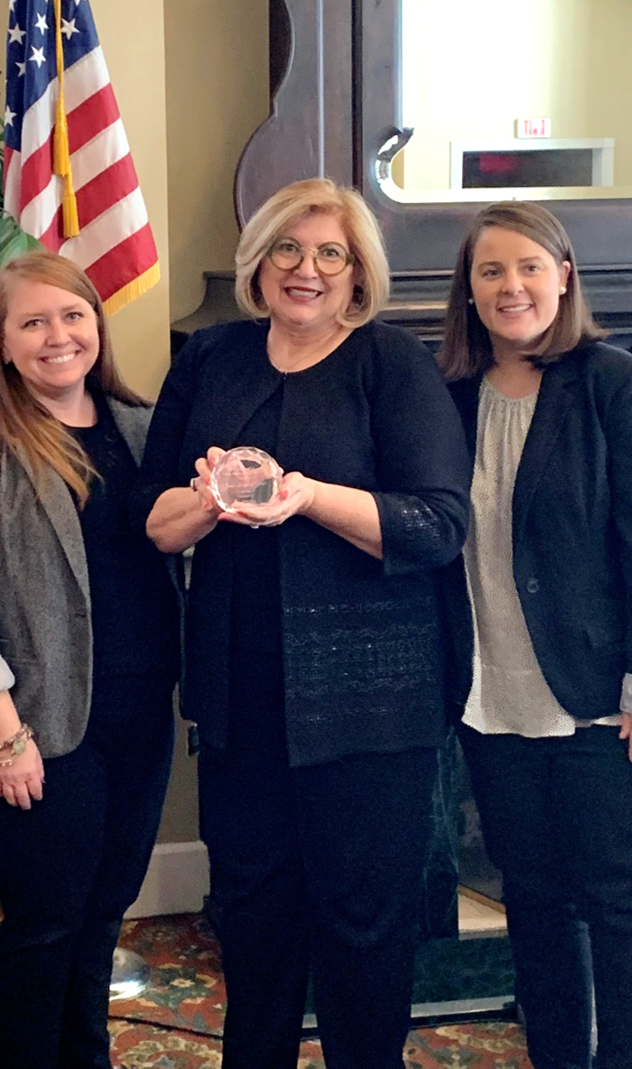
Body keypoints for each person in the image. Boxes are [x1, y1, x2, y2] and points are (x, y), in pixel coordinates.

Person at [132, 177, 470, 1069]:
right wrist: (207, 503)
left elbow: (437, 523)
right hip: (240, 698)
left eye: (331, 253)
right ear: (258, 260)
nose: (306, 269)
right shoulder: (211, 358)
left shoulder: (389, 364)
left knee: (363, 929)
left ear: (358, 272)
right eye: (288, 247)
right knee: (252, 915)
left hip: (368, 704)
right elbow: (151, 513)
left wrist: (308, 496)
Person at [0, 251, 180, 1069]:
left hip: (138, 711)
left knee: (106, 909)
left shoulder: (143, 427)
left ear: (96, 327)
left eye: (72, 315)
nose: (57, 336)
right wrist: (4, 734)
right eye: (32, 321)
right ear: (1, 341)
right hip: (33, 722)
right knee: (47, 919)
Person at [439, 200, 632, 1069]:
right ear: (469, 291)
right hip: (490, 700)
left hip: (596, 697)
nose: (510, 285)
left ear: (562, 274)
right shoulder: (445, 398)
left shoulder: (611, 384)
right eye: (490, 271)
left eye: (527, 266)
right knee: (534, 899)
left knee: (616, 901)